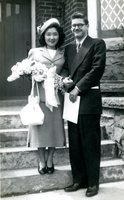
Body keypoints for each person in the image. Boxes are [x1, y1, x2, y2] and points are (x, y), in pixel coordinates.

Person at [63, 12, 106, 197]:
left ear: (87, 26)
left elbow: (97, 70)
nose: (76, 28)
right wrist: (64, 79)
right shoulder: (70, 48)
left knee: (90, 142)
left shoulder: (97, 44)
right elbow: (66, 68)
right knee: (75, 142)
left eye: (80, 25)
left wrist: (77, 88)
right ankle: (78, 180)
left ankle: (93, 183)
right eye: (74, 25)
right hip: (72, 101)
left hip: (88, 99)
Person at [27, 18, 66, 175]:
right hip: (39, 96)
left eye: (55, 34)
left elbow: (65, 72)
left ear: (59, 36)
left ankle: (50, 159)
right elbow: (26, 71)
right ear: (43, 36)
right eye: (48, 34)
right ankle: (41, 160)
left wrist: (61, 80)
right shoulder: (35, 52)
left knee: (54, 130)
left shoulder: (63, 54)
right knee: (39, 129)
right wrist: (34, 76)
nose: (51, 37)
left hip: (55, 97)